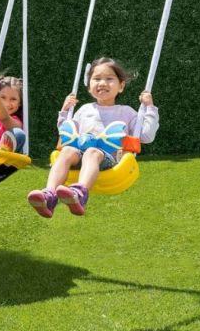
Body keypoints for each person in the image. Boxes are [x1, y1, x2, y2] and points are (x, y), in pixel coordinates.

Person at [27, 57, 159, 218]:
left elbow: (146, 136)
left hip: (108, 159)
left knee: (92, 152)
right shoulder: (84, 110)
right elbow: (65, 132)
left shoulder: (126, 112)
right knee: (67, 150)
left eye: (109, 79)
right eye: (96, 79)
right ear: (89, 87)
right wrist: (64, 111)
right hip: (79, 155)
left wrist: (150, 108)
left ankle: (79, 194)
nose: (102, 83)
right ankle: (49, 195)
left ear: (121, 86)